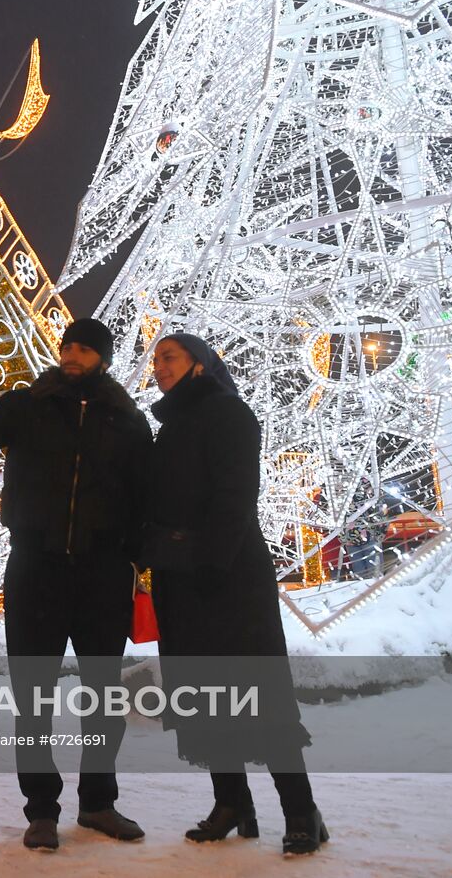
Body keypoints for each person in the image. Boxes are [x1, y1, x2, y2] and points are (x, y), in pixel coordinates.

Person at [0, 318, 153, 852]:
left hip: (102, 573)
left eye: (84, 349)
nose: (72, 355)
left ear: (102, 357)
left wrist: (135, 559)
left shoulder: (126, 421)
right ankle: (41, 811)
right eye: (68, 347)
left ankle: (99, 802)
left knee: (103, 696)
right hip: (37, 568)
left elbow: (145, 496)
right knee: (33, 698)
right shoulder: (28, 404)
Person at [144, 333, 328, 856]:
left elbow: (236, 496)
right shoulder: (171, 424)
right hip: (182, 578)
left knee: (258, 693)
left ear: (199, 365)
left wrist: (210, 562)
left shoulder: (229, 413)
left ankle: (300, 810)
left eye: (169, 357)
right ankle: (231, 804)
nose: (158, 367)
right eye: (155, 360)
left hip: (228, 578)